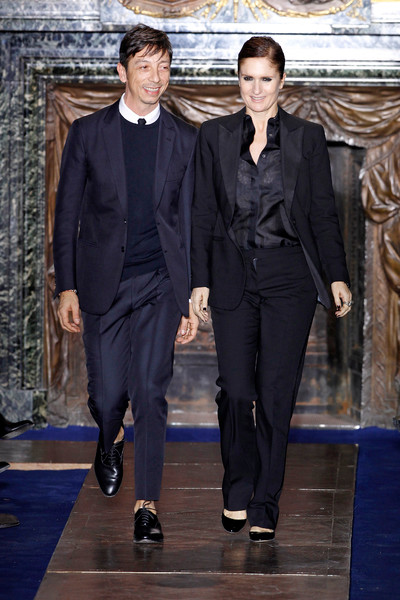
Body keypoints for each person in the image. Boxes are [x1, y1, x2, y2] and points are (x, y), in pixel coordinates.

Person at [191, 36, 352, 542]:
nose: (256, 89)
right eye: (247, 78)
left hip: (289, 277)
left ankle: (264, 502)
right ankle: (237, 485)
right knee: (237, 391)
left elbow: (323, 213)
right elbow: (201, 213)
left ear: (282, 80)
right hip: (232, 274)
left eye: (265, 79)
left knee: (276, 394)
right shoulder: (213, 135)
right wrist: (199, 280)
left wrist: (337, 274)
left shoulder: (307, 137)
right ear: (237, 79)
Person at [53, 24, 198, 543]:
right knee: (110, 393)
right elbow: (66, 214)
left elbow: (188, 224)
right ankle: (110, 432)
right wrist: (66, 287)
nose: (155, 77)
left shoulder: (185, 138)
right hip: (103, 285)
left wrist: (190, 296)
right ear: (122, 71)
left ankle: (146, 506)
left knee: (151, 391)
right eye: (144, 66)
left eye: (163, 67)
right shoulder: (88, 133)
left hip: (160, 283)